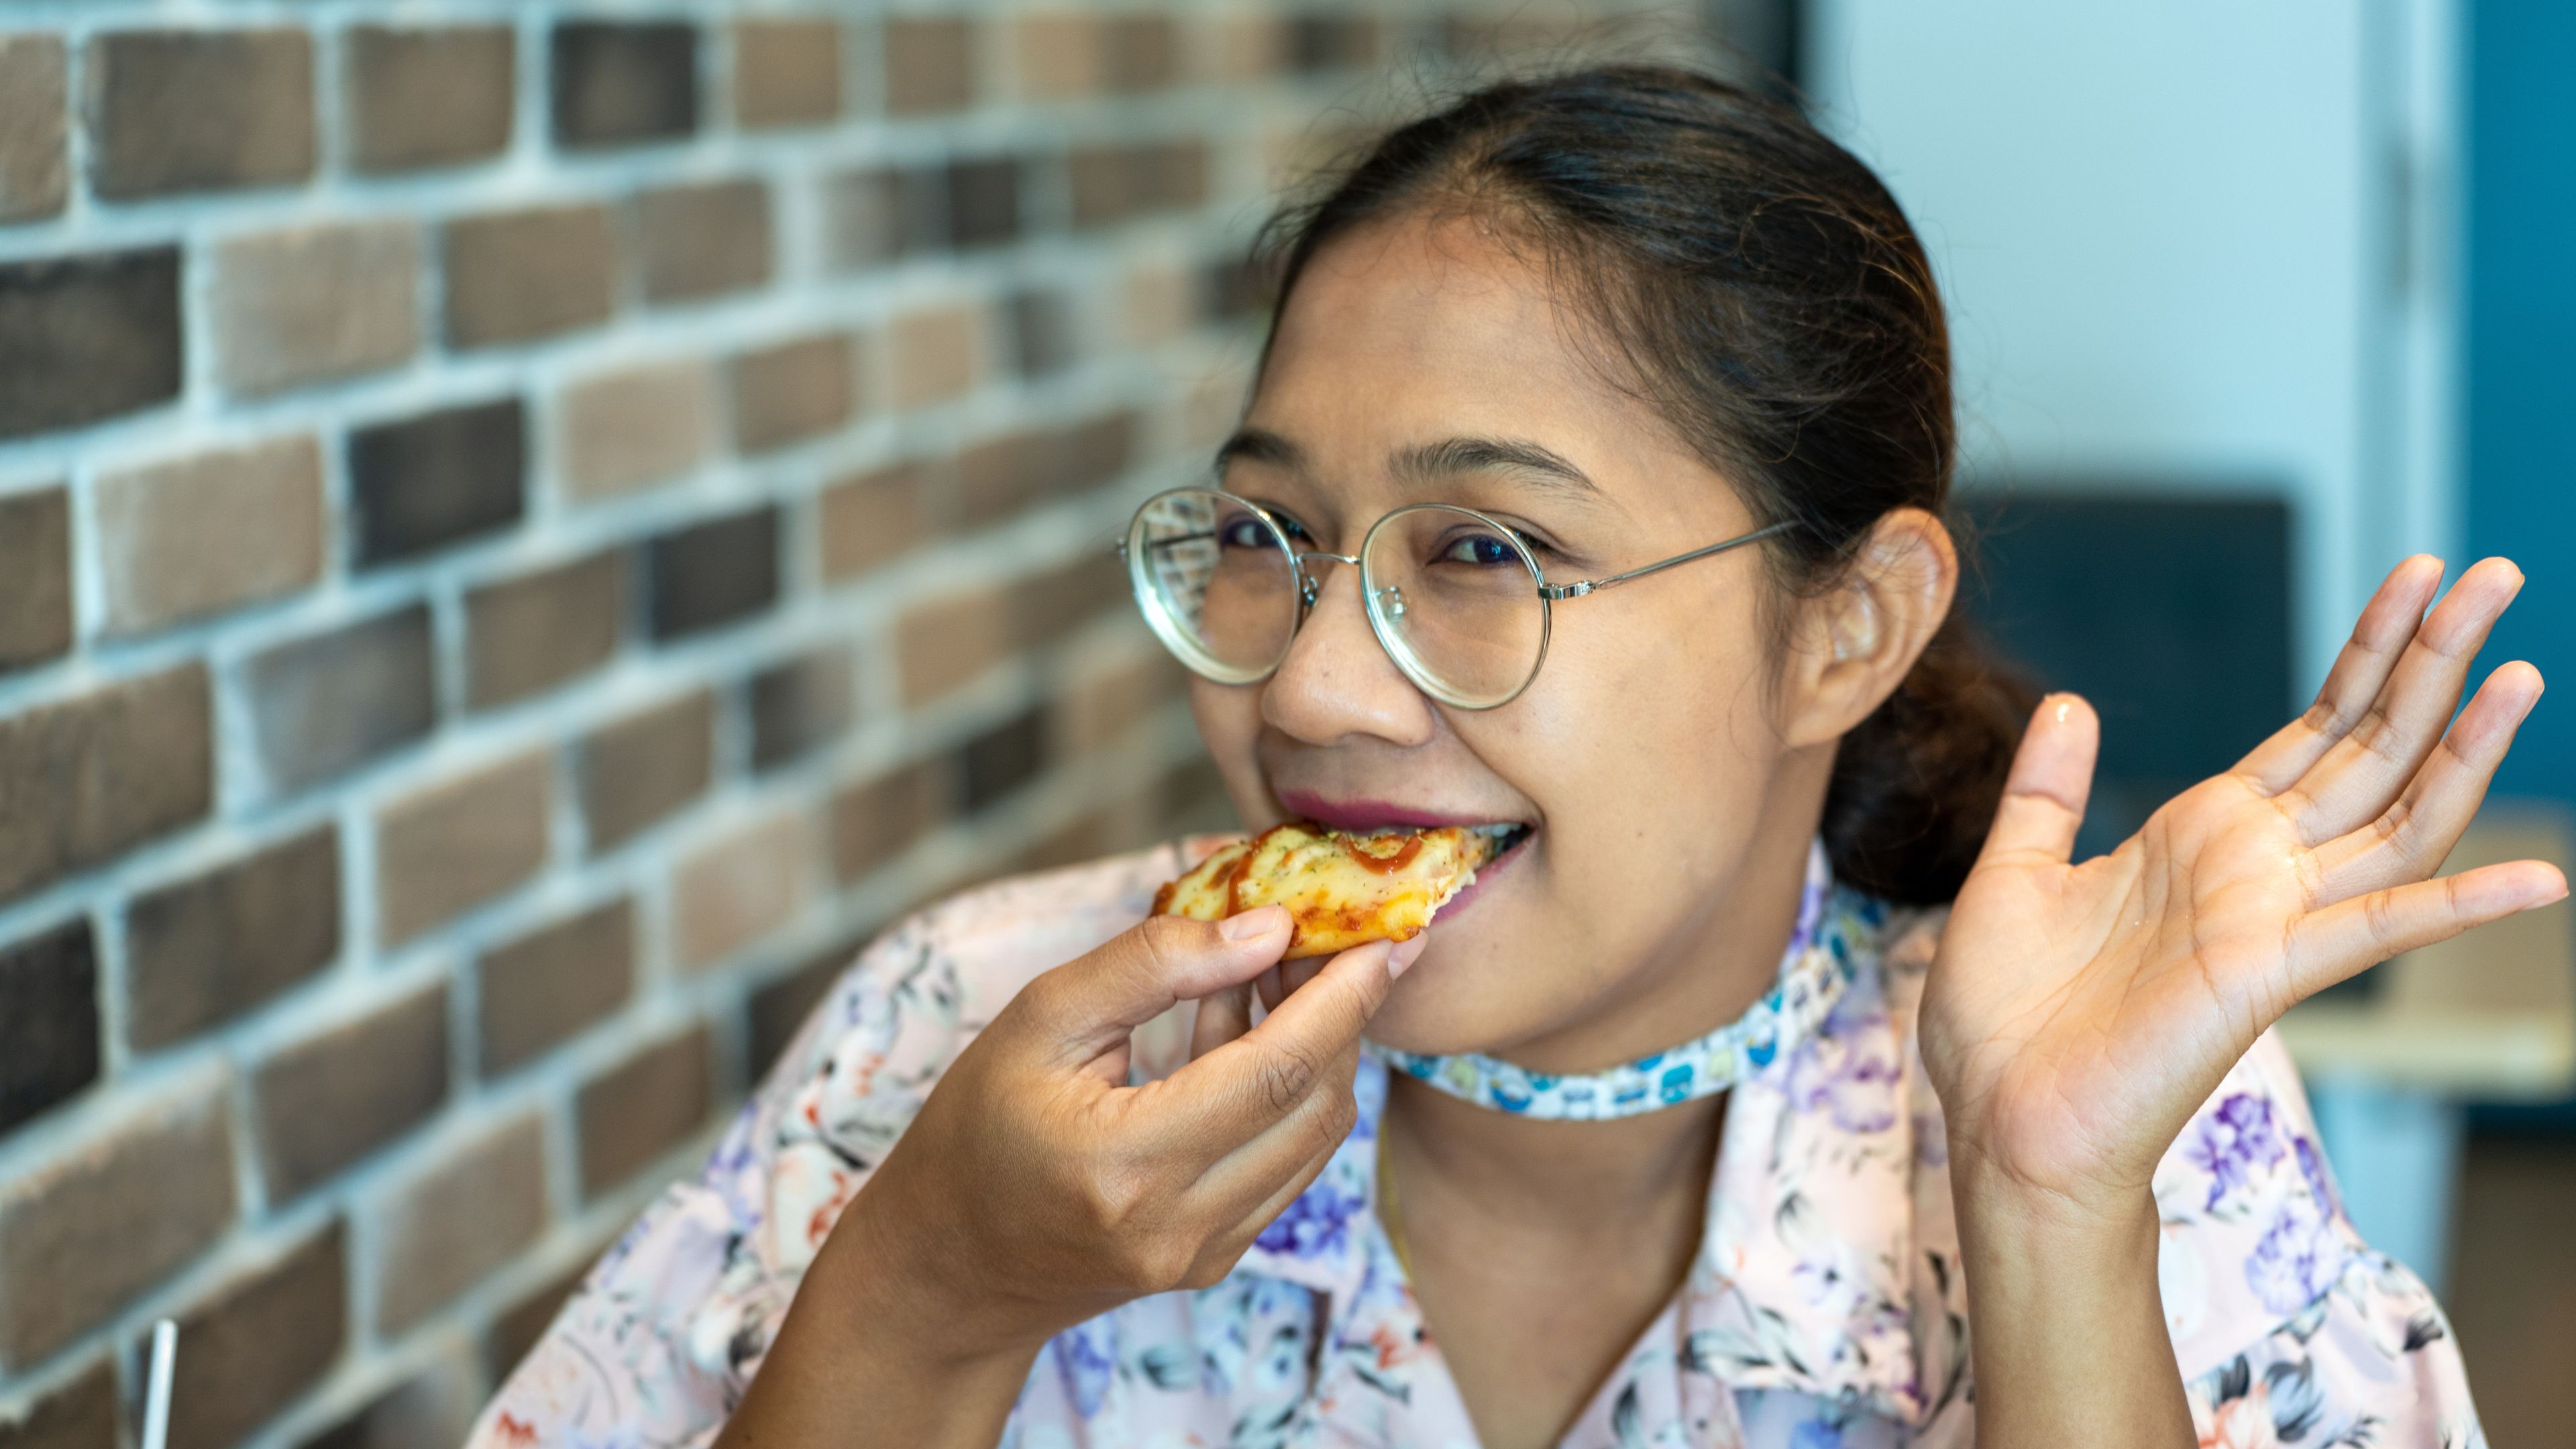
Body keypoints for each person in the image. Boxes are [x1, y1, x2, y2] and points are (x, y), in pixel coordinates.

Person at [466, 66, 2558, 1449]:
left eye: (1484, 551)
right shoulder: (960, 1029)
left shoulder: (2121, 1112)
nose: (1311, 692)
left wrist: (2047, 1212)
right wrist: (928, 1287)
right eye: (1268, 537)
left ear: (1844, 628)